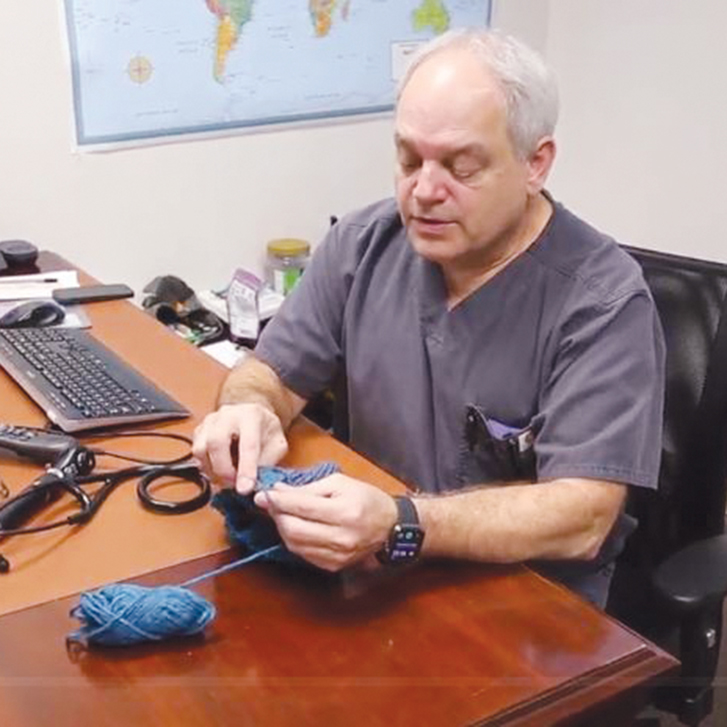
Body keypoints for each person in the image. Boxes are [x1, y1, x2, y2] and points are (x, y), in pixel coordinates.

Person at [192, 28, 665, 607]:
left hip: (528, 606)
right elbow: (269, 373)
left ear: (535, 163)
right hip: (376, 575)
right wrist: (249, 409)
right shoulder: (363, 245)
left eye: (461, 167)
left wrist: (402, 522)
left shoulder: (603, 302)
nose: (423, 191)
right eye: (409, 159)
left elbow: (583, 515)